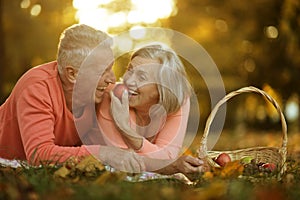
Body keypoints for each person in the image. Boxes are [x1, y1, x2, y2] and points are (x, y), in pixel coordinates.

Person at [0, 24, 145, 173]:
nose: (112, 79)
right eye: (102, 71)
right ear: (73, 74)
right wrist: (103, 154)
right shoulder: (36, 88)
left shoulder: (101, 94)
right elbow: (39, 155)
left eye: (111, 69)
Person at [93, 43, 203, 172]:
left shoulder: (178, 99)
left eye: (142, 77)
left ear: (163, 88)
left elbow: (167, 156)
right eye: (130, 70)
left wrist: (125, 128)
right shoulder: (113, 95)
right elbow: (123, 161)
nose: (129, 81)